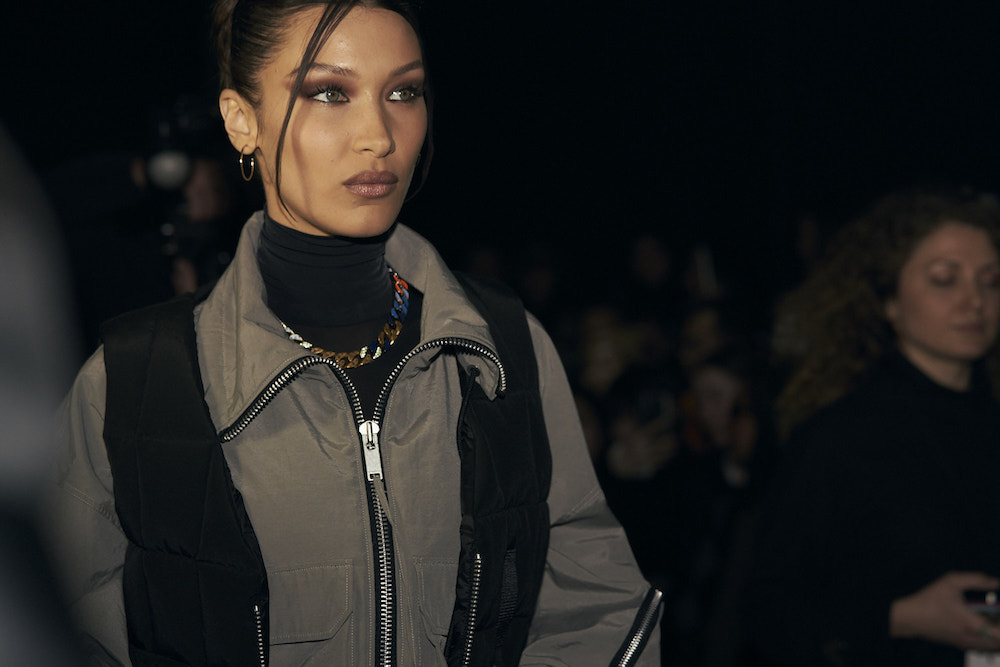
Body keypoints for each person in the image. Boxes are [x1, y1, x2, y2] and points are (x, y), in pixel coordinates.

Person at [43, 1, 661, 665]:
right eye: (330, 92)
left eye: (404, 92)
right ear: (242, 120)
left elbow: (592, 607)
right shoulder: (130, 385)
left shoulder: (503, 351)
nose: (379, 135)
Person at [748, 188, 1000, 666]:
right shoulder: (840, 436)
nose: (976, 300)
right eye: (945, 279)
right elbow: (769, 612)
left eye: (991, 281)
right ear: (889, 301)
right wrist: (901, 617)